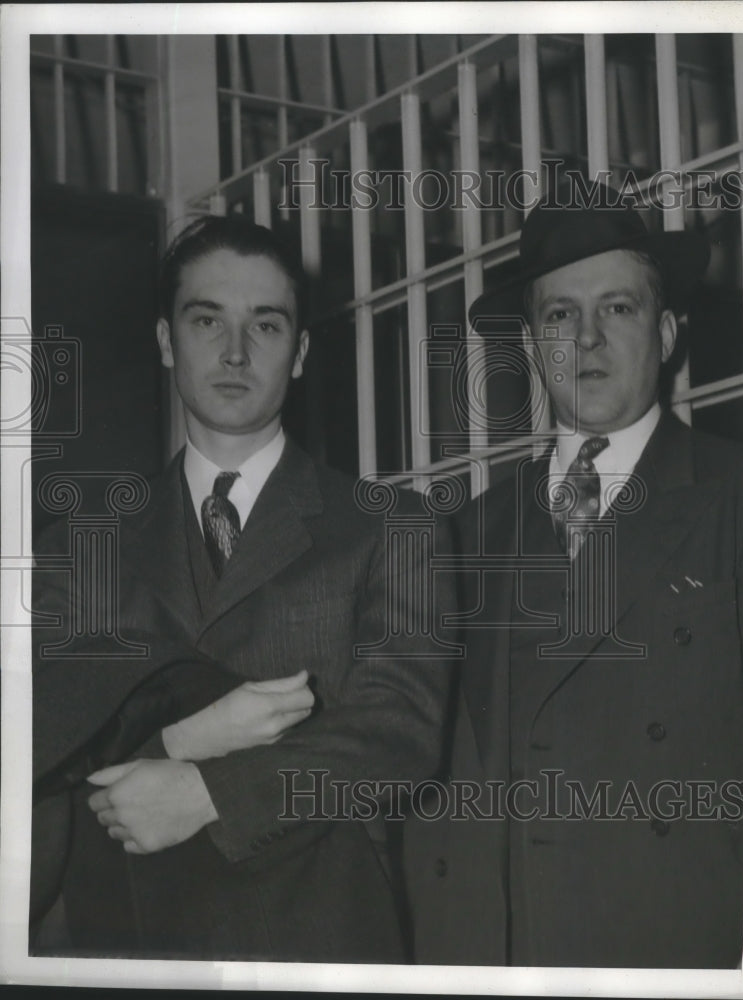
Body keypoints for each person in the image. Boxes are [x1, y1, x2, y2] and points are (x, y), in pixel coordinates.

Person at [31, 215, 452, 962]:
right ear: (166, 341)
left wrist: (211, 793)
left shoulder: (392, 527)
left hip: (315, 936)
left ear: (300, 353)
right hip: (125, 945)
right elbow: (42, 756)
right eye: (206, 320)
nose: (233, 352)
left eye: (265, 324)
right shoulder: (81, 545)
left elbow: (398, 738)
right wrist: (183, 742)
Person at [405, 182, 743, 968]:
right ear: (531, 344)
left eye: (617, 309)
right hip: (509, 950)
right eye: (559, 315)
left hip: (679, 946)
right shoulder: (460, 536)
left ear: (664, 334)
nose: (585, 339)